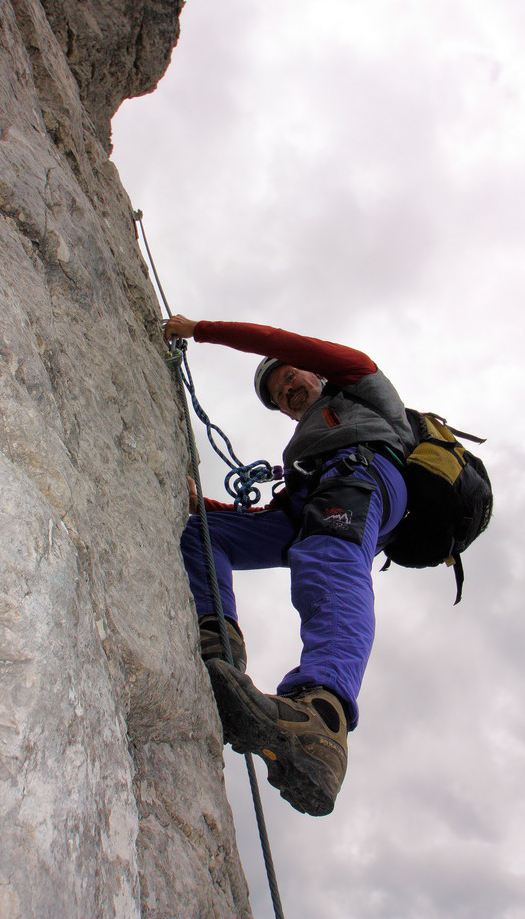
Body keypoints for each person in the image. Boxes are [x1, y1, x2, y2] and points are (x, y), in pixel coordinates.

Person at [164, 315, 415, 816]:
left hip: (364, 477)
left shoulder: (358, 382)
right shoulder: (303, 449)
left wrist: (198, 330)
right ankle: (219, 645)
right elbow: (273, 520)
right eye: (280, 392)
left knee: (327, 559)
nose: (288, 389)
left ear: (316, 375)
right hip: (315, 500)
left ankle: (322, 719)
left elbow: (279, 341)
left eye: (291, 377)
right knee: (204, 537)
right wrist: (205, 508)